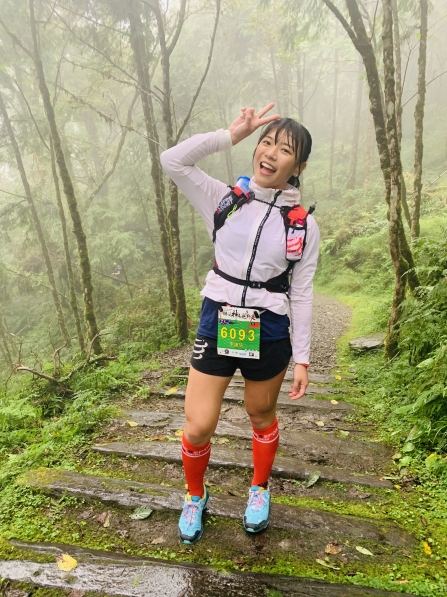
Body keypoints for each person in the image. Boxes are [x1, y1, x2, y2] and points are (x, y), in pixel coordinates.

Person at [160, 103, 320, 544]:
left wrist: (303, 358)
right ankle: (195, 495)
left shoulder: (303, 226)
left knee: (260, 413)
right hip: (219, 317)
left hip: (269, 327)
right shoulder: (223, 199)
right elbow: (172, 160)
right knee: (197, 425)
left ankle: (259, 489)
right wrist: (228, 136)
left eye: (284, 149)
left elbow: (302, 292)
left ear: (298, 167)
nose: (270, 153)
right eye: (266, 142)